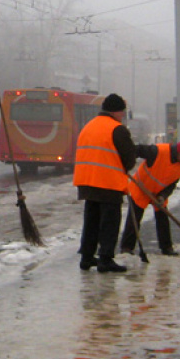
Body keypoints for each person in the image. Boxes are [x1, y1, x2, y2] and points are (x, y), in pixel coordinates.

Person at [72, 93, 138, 273]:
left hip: (87, 181)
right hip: (108, 183)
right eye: (122, 112)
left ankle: (86, 257)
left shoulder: (89, 126)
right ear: (116, 111)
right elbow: (129, 158)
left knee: (91, 221)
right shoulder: (117, 129)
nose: (122, 116)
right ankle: (105, 259)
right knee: (109, 223)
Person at [119, 139, 180, 256]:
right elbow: (136, 149)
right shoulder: (157, 151)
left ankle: (166, 248)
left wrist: (162, 196)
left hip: (157, 193)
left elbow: (171, 185)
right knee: (135, 218)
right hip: (140, 187)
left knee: (162, 218)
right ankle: (127, 247)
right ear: (179, 152)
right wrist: (125, 162)